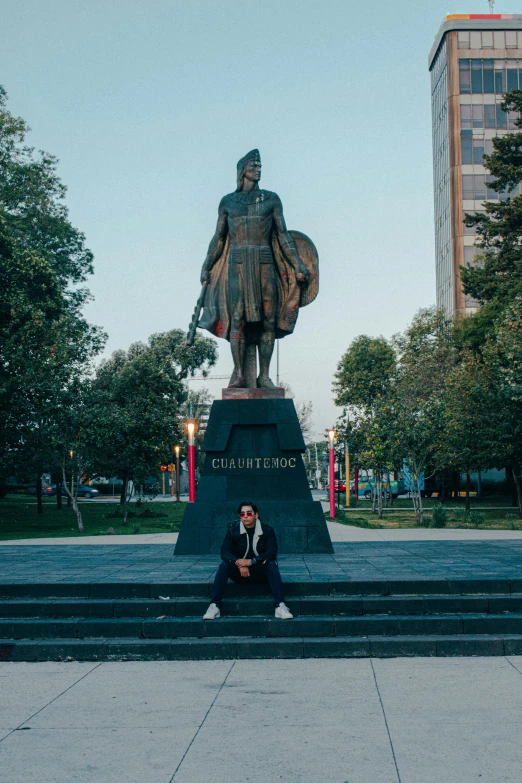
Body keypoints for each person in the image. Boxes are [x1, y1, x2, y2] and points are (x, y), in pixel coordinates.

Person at [197, 149, 318, 389]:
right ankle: (240, 375)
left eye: (260, 165)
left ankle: (264, 376)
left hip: (264, 261)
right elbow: (219, 239)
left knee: (268, 322)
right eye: (255, 165)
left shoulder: (271, 199)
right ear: (243, 169)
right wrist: (206, 265)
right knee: (237, 319)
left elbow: (283, 236)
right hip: (237, 263)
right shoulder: (228, 202)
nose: (259, 169)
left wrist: (298, 264)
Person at [203, 501, 293, 620]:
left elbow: (271, 552)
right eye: (242, 514)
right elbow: (224, 552)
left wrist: (251, 562)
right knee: (224, 566)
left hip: (259, 573)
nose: (245, 516)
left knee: (271, 564)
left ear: (256, 515)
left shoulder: (267, 530)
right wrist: (240, 563)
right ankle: (214, 606)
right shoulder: (233, 530)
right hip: (239, 573)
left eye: (249, 513)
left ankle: (280, 606)